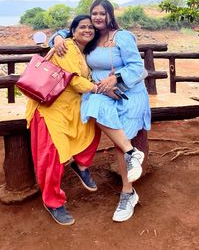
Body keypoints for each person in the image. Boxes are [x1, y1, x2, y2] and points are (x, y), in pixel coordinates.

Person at [27, 14, 145, 226]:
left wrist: (59, 35)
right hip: (50, 108)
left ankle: (81, 165)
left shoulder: (86, 51)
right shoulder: (67, 48)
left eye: (90, 27)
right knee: (52, 155)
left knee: (94, 127)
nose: (87, 30)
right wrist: (102, 89)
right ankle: (53, 201)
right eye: (82, 27)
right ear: (73, 30)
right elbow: (74, 79)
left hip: (72, 108)